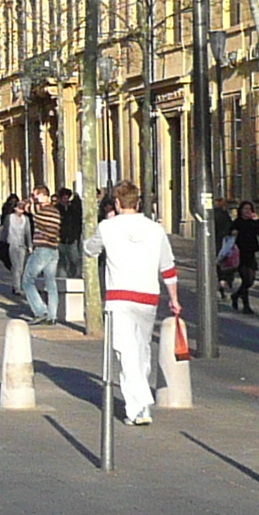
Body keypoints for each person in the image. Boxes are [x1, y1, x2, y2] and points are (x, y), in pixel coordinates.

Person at [85, 181, 181, 425]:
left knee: (126, 352)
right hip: (148, 296)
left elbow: (89, 249)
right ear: (138, 202)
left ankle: (139, 405)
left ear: (117, 203)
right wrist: (174, 299)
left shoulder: (107, 227)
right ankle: (140, 406)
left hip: (119, 297)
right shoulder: (155, 229)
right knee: (142, 349)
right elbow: (168, 267)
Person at [21, 186, 61, 323]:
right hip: (53, 249)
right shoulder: (55, 211)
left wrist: (30, 199)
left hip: (42, 248)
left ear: (43, 196)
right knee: (51, 283)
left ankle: (40, 311)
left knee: (27, 280)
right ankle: (52, 316)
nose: (34, 198)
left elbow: (22, 206)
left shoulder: (41, 210)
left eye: (36, 195)